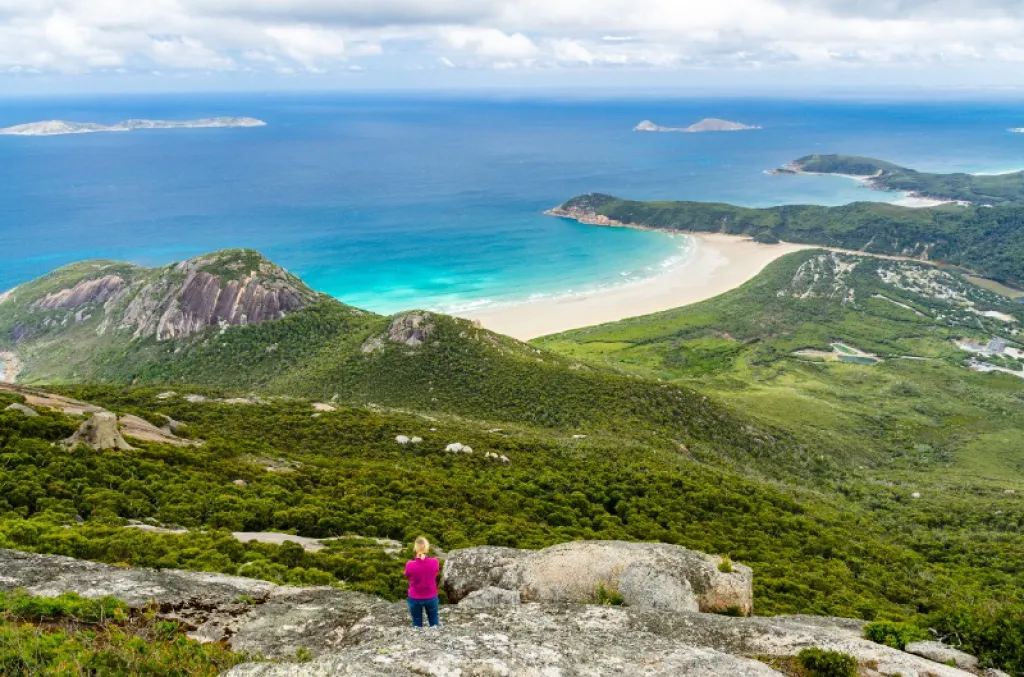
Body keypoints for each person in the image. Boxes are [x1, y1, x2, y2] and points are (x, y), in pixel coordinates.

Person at [404, 536, 440, 628]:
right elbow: (435, 573)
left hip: (415, 597)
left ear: (415, 548)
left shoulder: (409, 565)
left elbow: (407, 576)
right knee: (434, 621)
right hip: (431, 596)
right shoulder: (434, 562)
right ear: (426, 548)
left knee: (416, 623)